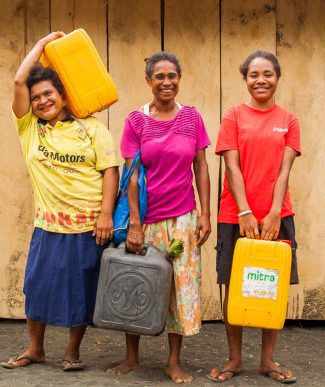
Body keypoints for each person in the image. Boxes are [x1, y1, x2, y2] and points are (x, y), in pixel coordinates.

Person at [2, 31, 119, 372]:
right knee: (36, 288)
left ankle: (72, 352)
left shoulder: (92, 129)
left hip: (88, 227)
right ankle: (35, 349)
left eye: (48, 94)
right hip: (48, 226)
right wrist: (41, 47)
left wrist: (105, 215)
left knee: (79, 292)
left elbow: (109, 171)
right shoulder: (30, 130)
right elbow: (19, 79)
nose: (41, 101)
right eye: (36, 97)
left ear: (63, 96)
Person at [106, 52, 212, 384]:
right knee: (134, 282)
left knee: (180, 287)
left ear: (179, 79)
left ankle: (173, 362)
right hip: (147, 219)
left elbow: (201, 168)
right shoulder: (136, 121)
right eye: (159, 76)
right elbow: (132, 175)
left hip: (182, 218)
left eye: (172, 76)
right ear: (148, 80)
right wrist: (135, 223)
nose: (166, 82)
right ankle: (132, 357)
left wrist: (205, 213)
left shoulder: (192, 117)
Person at [206, 50, 300, 384]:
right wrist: (244, 210)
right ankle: (234, 359)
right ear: (245, 79)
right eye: (253, 74)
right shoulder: (233, 116)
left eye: (268, 74)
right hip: (235, 215)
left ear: (277, 77)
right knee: (234, 286)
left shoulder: (288, 120)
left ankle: (266, 360)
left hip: (278, 215)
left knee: (271, 287)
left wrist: (274, 212)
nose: (261, 80)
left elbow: (284, 170)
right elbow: (231, 166)